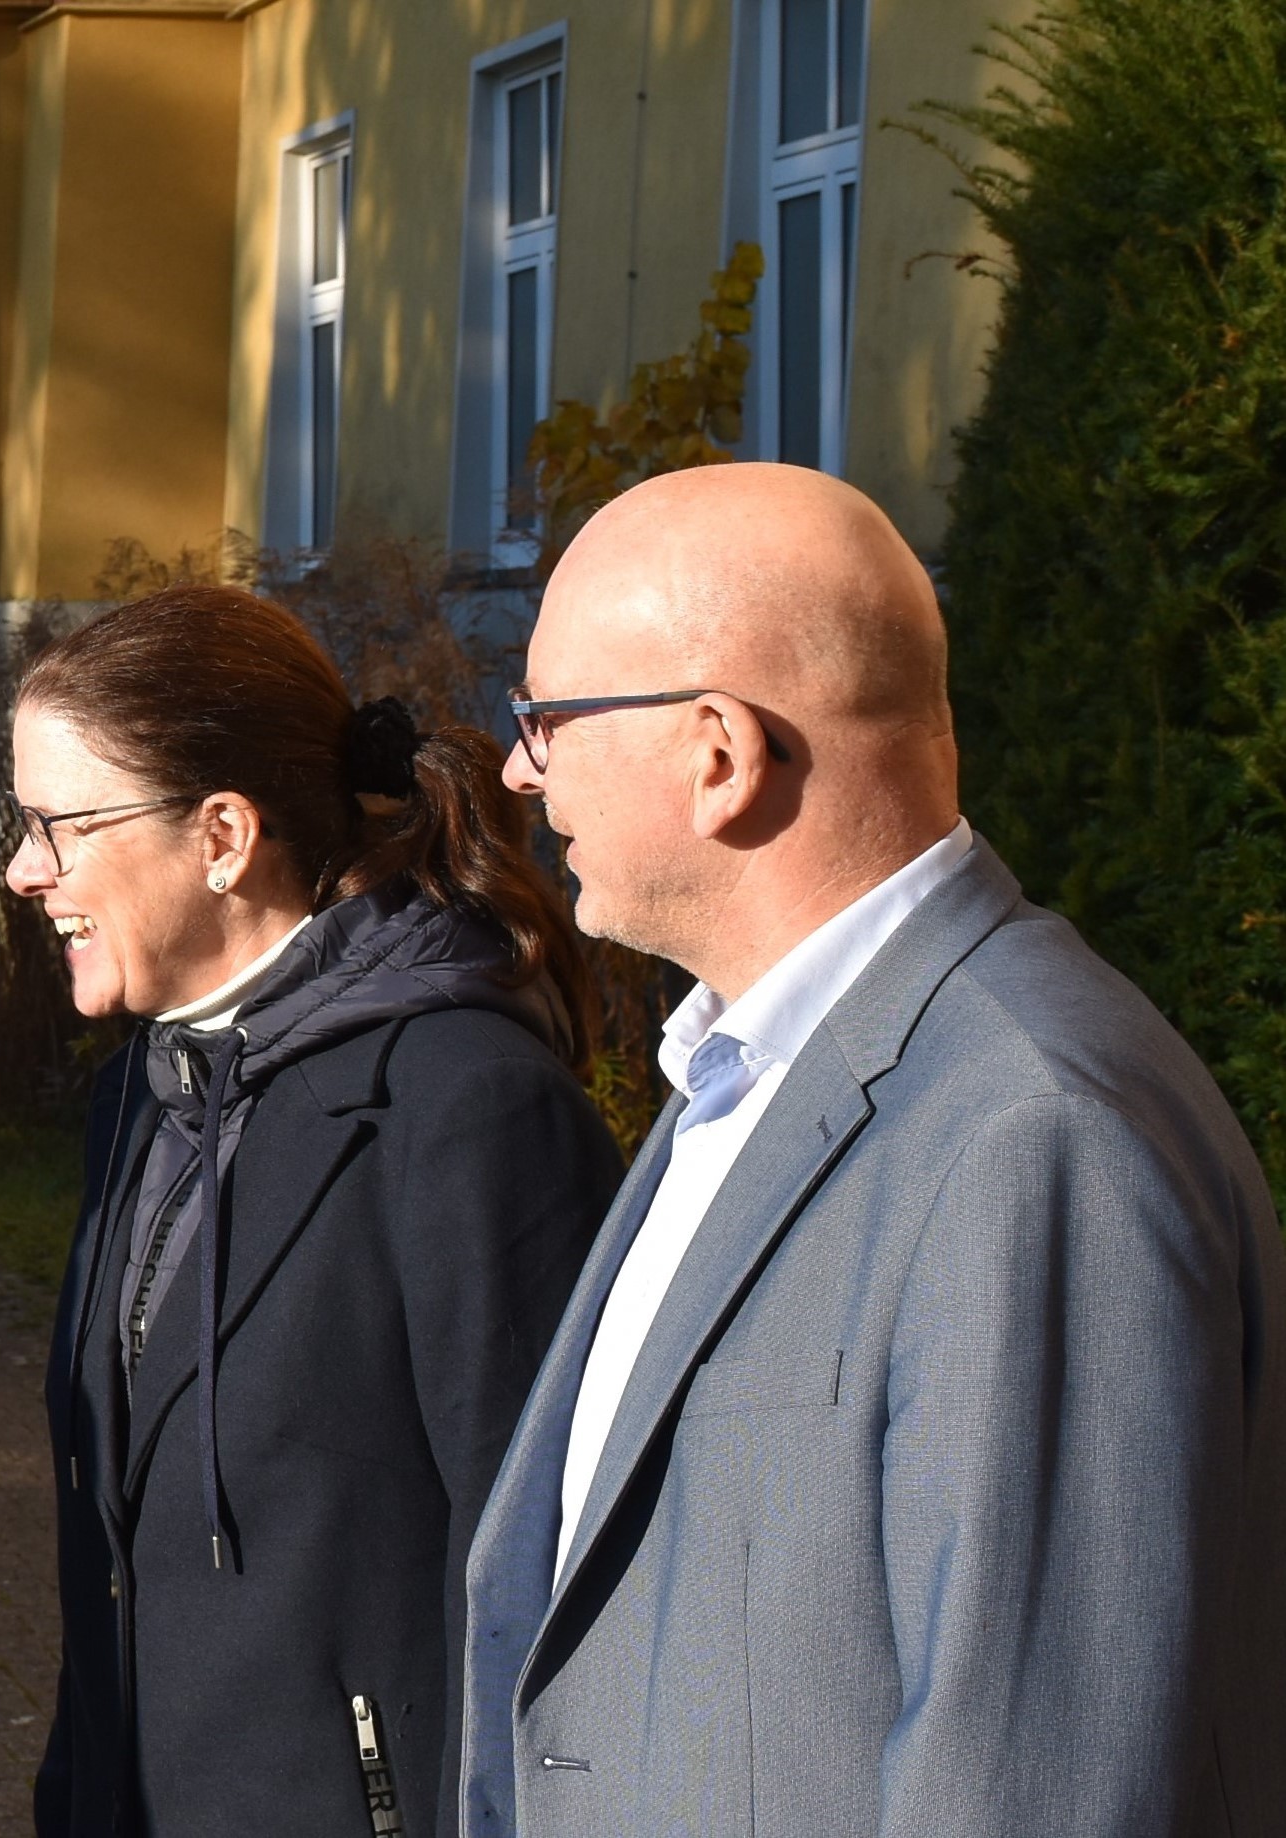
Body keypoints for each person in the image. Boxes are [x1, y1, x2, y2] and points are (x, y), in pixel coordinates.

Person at [460, 464, 1286, 1835]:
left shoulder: (1031, 1137)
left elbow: (1040, 1784)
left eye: (543, 717)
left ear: (715, 750)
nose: (514, 764)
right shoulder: (746, 1064)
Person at [10, 588, 622, 1838]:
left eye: (55, 825)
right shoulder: (142, 1086)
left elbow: (546, 1590)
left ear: (223, 834)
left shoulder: (464, 1108)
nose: (23, 869)